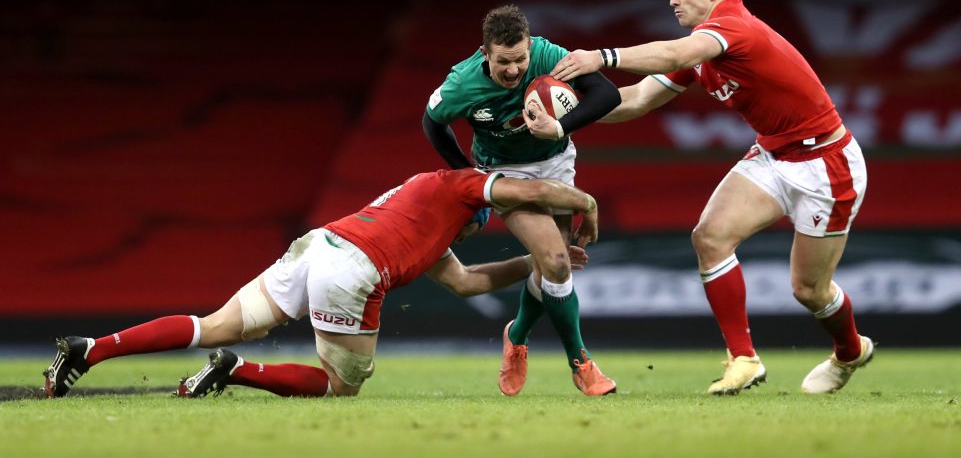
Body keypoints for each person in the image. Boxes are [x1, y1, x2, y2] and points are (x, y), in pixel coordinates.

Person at [543, 0, 873, 395]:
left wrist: (602, 57)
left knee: (809, 290)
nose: (673, 1)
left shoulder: (732, 26)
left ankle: (850, 351)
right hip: (774, 156)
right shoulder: (704, 46)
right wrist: (564, 118)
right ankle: (743, 359)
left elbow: (676, 52)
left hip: (826, 164)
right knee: (710, 237)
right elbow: (638, 99)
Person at [43, 168, 602, 399]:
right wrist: (583, 201)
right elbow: (528, 193)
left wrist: (529, 266)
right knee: (343, 385)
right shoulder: (456, 183)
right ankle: (240, 370)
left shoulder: (430, 224)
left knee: (212, 324)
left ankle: (92, 350)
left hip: (320, 245)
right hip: (351, 269)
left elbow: (466, 283)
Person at [422, 5, 621, 396]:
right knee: (557, 261)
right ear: (485, 54)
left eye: (519, 59)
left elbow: (606, 93)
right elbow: (433, 122)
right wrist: (468, 177)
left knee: (551, 269)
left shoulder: (548, 56)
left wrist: (560, 126)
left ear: (530, 47)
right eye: (503, 62)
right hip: (505, 173)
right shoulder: (461, 83)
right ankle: (581, 363)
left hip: (557, 163)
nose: (513, 70)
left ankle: (516, 335)